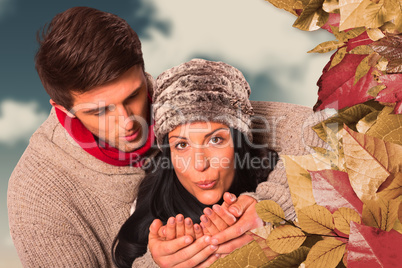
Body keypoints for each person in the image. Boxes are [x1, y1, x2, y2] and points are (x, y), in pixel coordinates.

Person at [7, 7, 292, 267]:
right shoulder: (36, 195)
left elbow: (323, 130)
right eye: (100, 111)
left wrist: (269, 205)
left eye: (132, 96)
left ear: (143, 73)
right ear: (64, 109)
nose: (128, 121)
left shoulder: (178, 98)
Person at [112, 59, 281, 267]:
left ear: (239, 143)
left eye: (215, 140)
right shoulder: (151, 206)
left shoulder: (280, 178)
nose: (200, 164)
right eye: (182, 145)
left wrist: (273, 211)